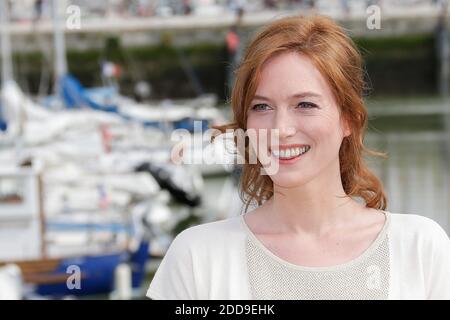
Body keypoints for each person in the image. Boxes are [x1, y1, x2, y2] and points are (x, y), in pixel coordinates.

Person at [147, 15, 450, 300]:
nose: (280, 129)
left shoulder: (420, 248)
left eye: (305, 104)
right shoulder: (197, 258)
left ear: (349, 119)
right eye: (262, 107)